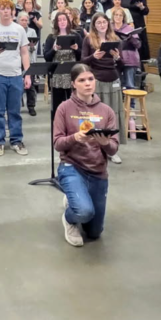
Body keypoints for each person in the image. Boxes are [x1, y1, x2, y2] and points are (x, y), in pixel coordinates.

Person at [54, 64, 119, 247]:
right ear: (73, 84)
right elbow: (57, 143)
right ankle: (70, 218)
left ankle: (75, 199)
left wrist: (105, 143)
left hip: (98, 171)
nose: (87, 84)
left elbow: (114, 149)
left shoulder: (106, 111)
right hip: (72, 167)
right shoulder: (64, 108)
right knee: (84, 212)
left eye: (90, 79)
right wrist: (74, 138)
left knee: (94, 232)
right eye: (81, 80)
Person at [0, 0, 31, 156]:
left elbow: (24, 53)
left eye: (8, 8)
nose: (5, 11)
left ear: (12, 11)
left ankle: (16, 140)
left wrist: (28, 74)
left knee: (15, 110)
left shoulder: (19, 29)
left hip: (15, 75)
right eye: (2, 8)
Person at [80, 13, 126, 154]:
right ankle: (94, 147)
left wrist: (117, 57)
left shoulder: (115, 39)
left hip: (113, 79)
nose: (102, 25)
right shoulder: (88, 39)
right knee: (96, 115)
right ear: (94, 25)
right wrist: (93, 57)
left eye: (104, 22)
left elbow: (122, 65)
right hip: (97, 79)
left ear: (108, 24)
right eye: (98, 23)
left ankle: (112, 148)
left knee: (113, 114)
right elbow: (82, 61)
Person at [43, 11, 82, 114]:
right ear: (56, 23)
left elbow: (82, 56)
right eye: (59, 20)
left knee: (74, 104)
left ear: (68, 21)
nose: (62, 22)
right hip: (58, 75)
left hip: (72, 74)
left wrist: (76, 49)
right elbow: (46, 57)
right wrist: (54, 49)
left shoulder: (75, 35)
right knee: (58, 106)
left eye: (64, 19)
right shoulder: (51, 37)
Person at [110, 6, 142, 90]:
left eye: (120, 15)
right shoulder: (109, 29)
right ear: (113, 16)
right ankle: (119, 103)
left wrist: (130, 38)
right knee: (116, 86)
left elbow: (138, 45)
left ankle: (131, 103)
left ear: (123, 17)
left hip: (129, 60)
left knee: (130, 85)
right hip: (114, 60)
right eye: (116, 15)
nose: (118, 17)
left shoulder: (129, 28)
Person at [18, 11, 40, 116]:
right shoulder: (15, 30)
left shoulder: (32, 31)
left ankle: (31, 106)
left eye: (26, 20)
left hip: (29, 60)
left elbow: (34, 48)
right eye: (22, 20)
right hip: (17, 61)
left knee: (30, 85)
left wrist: (31, 46)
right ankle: (16, 106)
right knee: (17, 84)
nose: (24, 22)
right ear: (18, 21)